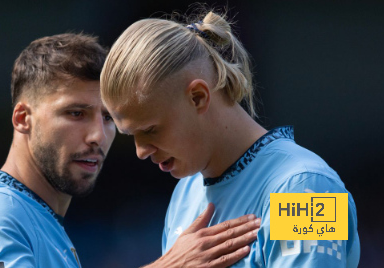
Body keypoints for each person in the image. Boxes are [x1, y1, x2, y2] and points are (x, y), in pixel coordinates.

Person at [0, 33, 261, 268]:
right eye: (76, 113)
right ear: (23, 118)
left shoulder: (300, 184)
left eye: (108, 118)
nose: (99, 136)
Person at [100, 9, 360, 268]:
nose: (140, 151)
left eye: (150, 130)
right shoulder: (185, 193)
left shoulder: (309, 191)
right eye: (131, 136)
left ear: (198, 97)